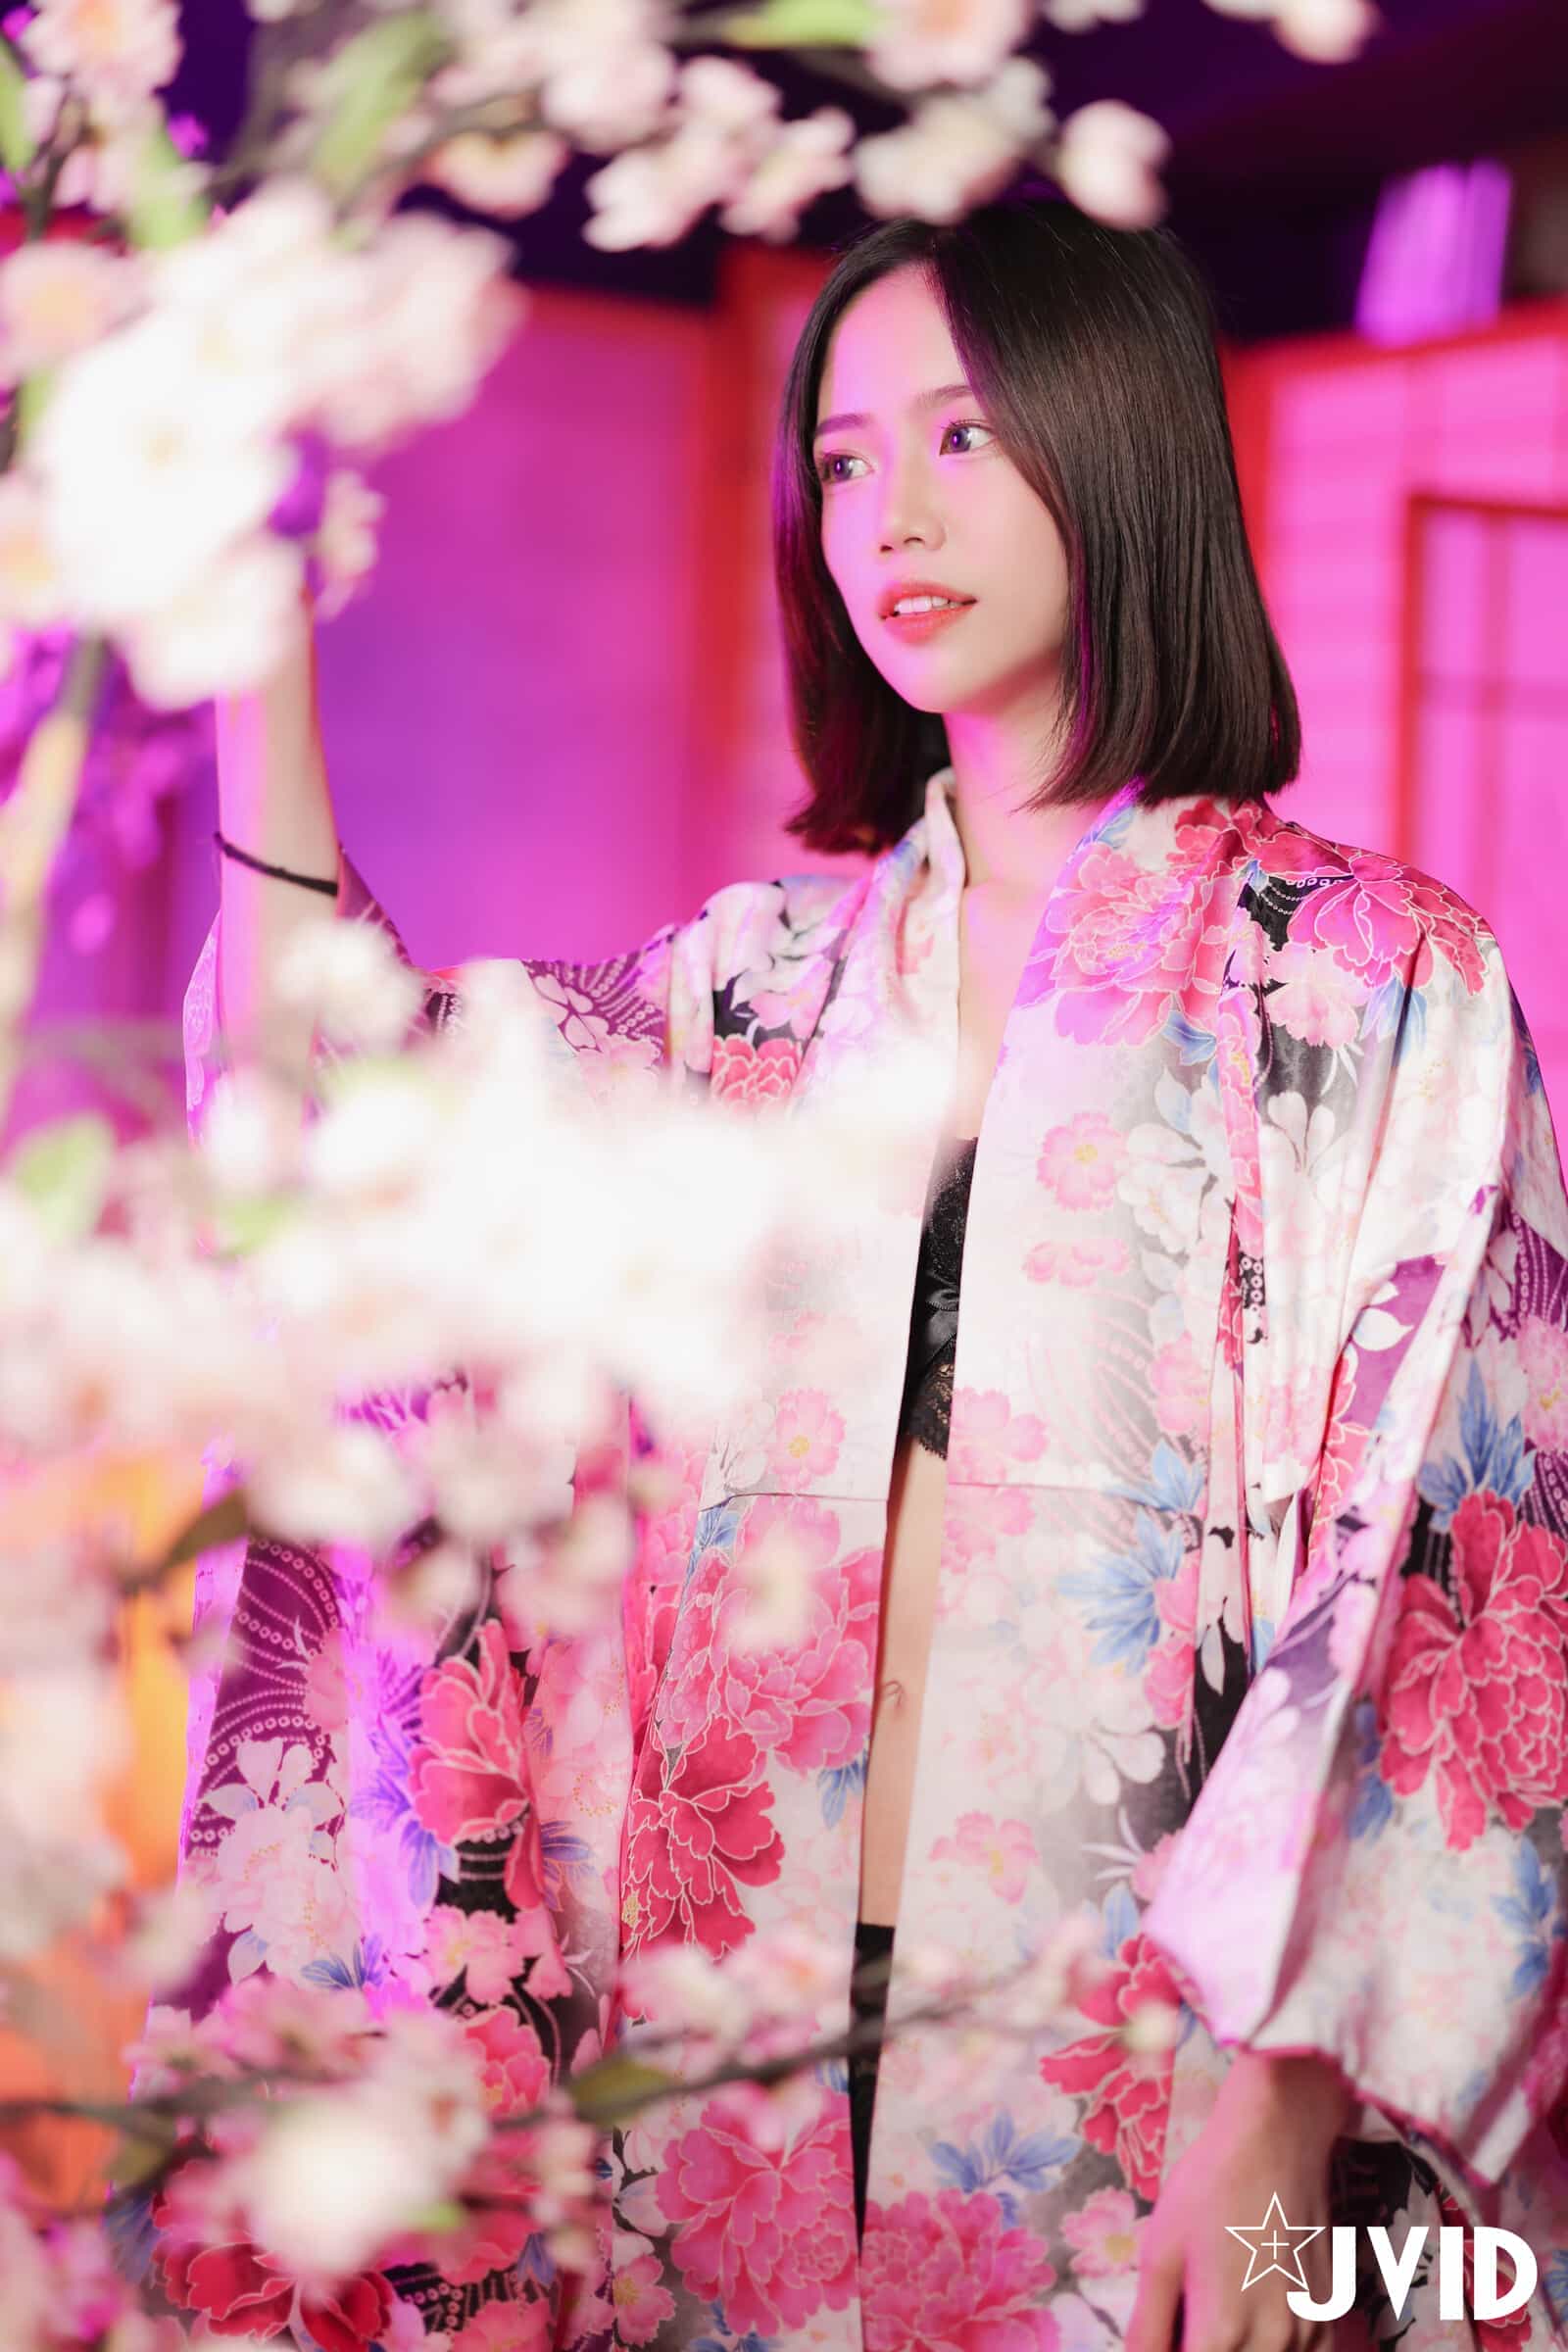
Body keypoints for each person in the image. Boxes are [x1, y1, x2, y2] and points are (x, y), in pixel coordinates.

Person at [169, 196, 1568, 2352]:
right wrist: (253, 632)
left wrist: (1286, 2097)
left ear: (1113, 442)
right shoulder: (736, 1011)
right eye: (839, 457)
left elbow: (1450, 1573)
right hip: (722, 2117)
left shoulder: (1374, 989)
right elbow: (327, 1118)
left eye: (960, 436)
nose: (886, 512)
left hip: (1171, 2121)